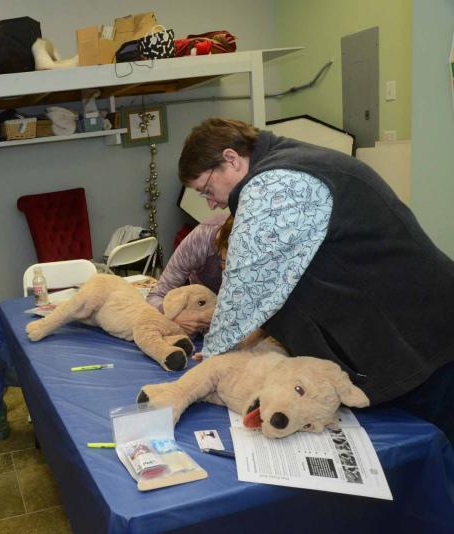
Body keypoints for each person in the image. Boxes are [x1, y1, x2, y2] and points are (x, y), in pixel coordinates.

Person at [178, 117, 454, 444]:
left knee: (438, 448)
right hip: (410, 333)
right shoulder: (290, 165)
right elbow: (282, 281)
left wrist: (212, 362)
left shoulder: (275, 185)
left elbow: (246, 283)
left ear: (231, 159)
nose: (211, 203)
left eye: (207, 190)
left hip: (421, 341)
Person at [146, 213, 229, 335]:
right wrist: (175, 315)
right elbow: (155, 296)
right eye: (222, 260)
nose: (224, 267)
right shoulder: (201, 238)